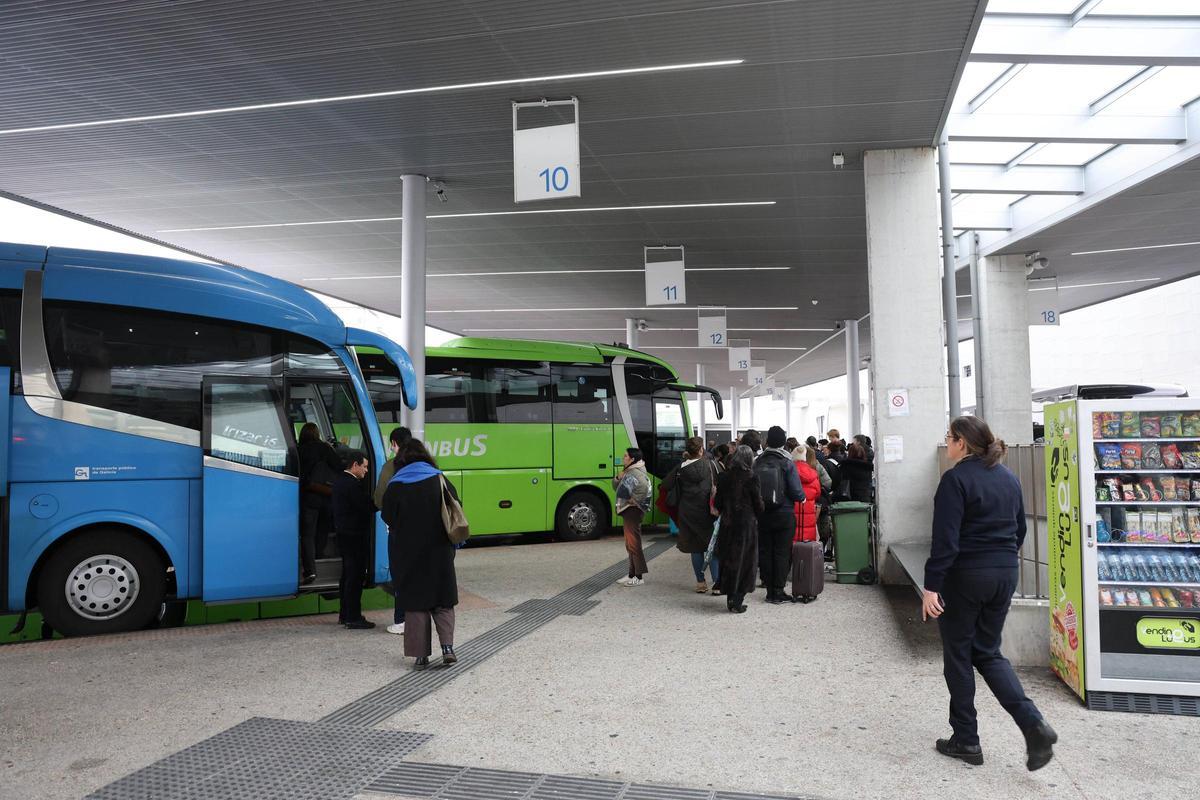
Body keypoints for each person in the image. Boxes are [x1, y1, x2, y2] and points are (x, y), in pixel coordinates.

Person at [922, 416, 1057, 771]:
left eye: (949, 437)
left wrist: (931, 585)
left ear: (962, 443)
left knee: (958, 656)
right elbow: (1020, 530)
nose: (947, 443)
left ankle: (966, 739)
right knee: (987, 651)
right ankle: (1032, 723)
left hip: (966, 576)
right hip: (1005, 573)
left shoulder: (955, 481)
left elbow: (945, 542)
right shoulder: (1008, 477)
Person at [381, 439, 460, 670]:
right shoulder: (438, 478)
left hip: (408, 551)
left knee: (416, 603)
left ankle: (420, 656)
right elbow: (456, 505)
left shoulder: (396, 484)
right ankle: (447, 648)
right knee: (443, 600)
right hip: (439, 549)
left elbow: (387, 516)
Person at [754, 426, 806, 604]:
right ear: (783, 442)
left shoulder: (758, 461)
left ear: (767, 441)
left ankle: (769, 590)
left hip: (763, 514)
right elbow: (797, 492)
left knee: (765, 551)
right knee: (782, 552)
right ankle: (778, 590)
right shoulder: (787, 461)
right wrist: (802, 498)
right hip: (784, 513)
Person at [663, 437, 720, 594]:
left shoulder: (681, 468)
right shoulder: (710, 465)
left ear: (688, 451)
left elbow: (666, 484)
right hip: (708, 511)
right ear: (701, 449)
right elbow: (720, 482)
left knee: (696, 548)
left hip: (687, 511)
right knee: (713, 546)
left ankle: (700, 583)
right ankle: (717, 584)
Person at [713, 445, 762, 613]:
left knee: (729, 560)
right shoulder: (752, 477)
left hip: (728, 524)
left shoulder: (724, 477)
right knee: (746, 562)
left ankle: (730, 598)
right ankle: (738, 600)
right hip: (746, 526)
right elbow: (758, 505)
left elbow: (718, 503)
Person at [373, 427, 413, 636]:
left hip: (399, 530)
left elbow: (380, 498)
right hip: (424, 530)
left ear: (395, 443)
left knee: (400, 573)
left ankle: (402, 620)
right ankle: (420, 619)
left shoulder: (392, 466)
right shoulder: (425, 465)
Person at [331, 449, 374, 630]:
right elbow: (366, 507)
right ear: (355, 465)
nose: (365, 471)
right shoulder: (352, 485)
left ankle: (345, 613)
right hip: (355, 536)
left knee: (347, 575)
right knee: (355, 576)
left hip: (344, 534)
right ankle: (353, 617)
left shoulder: (339, 481)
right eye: (364, 467)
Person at [298, 422, 342, 584]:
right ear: (317, 434)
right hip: (326, 495)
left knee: (307, 534)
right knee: (322, 528)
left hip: (308, 497)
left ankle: (310, 570)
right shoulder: (325, 448)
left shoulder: (298, 450)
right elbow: (339, 465)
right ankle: (319, 555)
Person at [613, 447, 652, 586]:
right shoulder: (630, 470)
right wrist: (618, 478)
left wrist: (634, 500)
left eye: (625, 456)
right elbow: (617, 487)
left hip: (633, 510)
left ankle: (639, 576)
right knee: (630, 543)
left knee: (634, 543)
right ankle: (631, 574)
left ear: (632, 459)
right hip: (629, 510)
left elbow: (644, 487)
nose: (623, 458)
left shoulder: (636, 472)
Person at [790, 444, 821, 545]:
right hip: (808, 516)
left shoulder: (788, 472)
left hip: (791, 515)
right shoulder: (813, 473)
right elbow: (817, 493)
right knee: (807, 550)